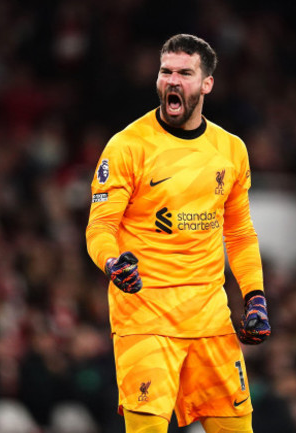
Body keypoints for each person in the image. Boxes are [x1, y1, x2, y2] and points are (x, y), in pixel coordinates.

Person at [86, 34, 271, 433]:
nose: (172, 80)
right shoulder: (126, 147)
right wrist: (113, 263)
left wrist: (254, 298)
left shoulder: (231, 150)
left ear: (207, 84)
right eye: (165, 71)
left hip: (210, 318)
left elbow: (239, 233)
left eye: (185, 73)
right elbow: (100, 226)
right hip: (145, 316)